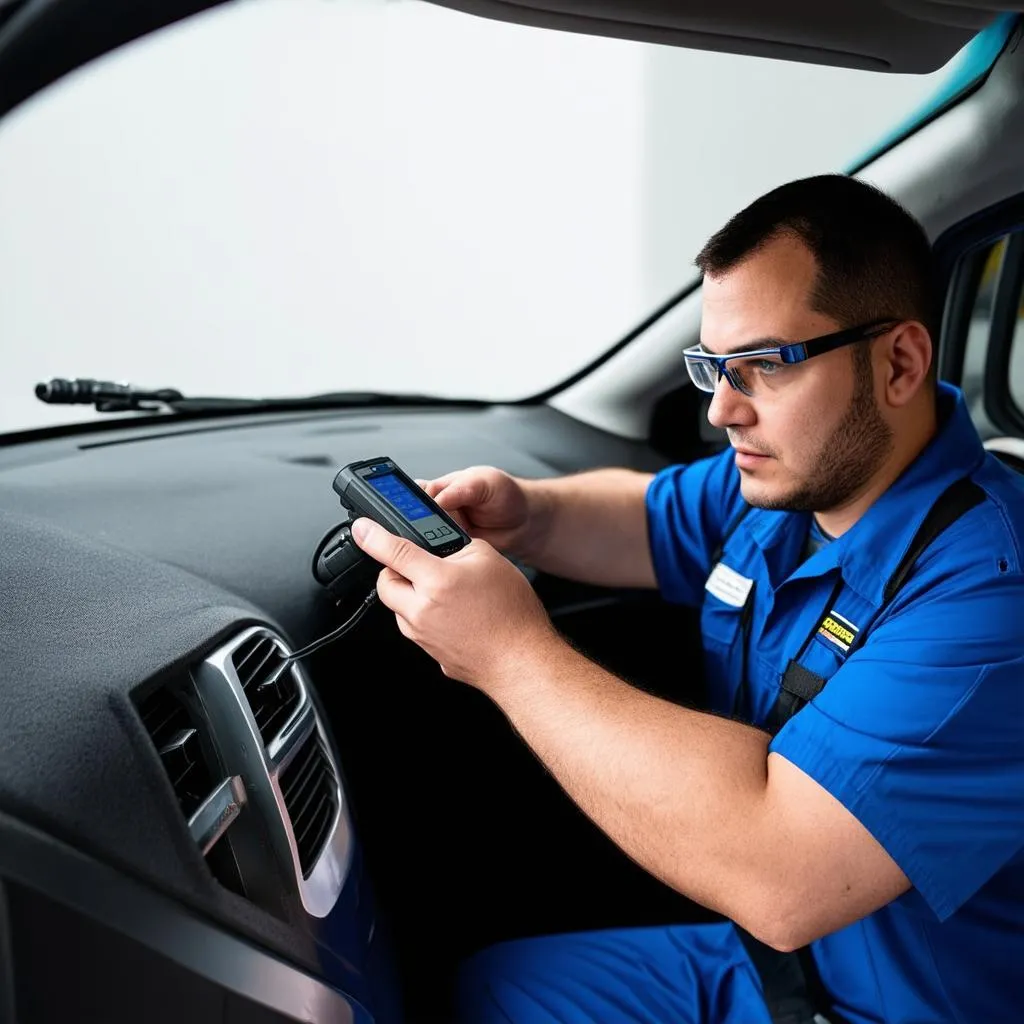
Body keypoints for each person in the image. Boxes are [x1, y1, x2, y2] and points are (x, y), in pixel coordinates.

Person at [351, 174, 1024, 1024]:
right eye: (712, 365)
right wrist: (528, 511)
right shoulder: (792, 482)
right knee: (488, 989)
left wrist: (510, 655)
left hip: (901, 1005)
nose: (722, 410)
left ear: (898, 363)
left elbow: (782, 875)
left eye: (765, 366)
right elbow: (644, 516)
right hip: (772, 974)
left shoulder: (994, 598)